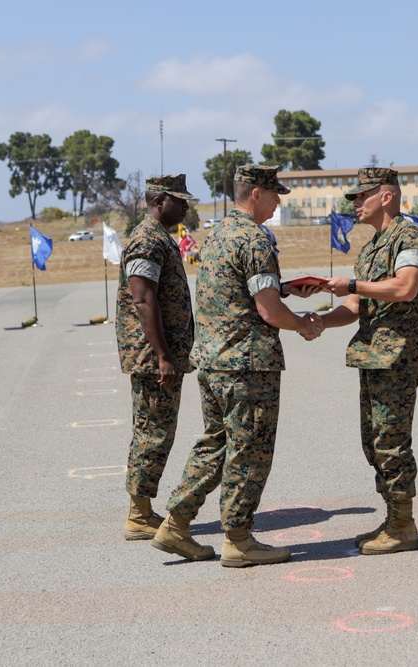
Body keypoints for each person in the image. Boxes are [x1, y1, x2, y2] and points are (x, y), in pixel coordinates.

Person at [151, 164, 324, 567]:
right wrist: (303, 324)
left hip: (213, 361)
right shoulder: (255, 240)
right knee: (250, 450)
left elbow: (239, 290)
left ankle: (175, 525)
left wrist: (284, 288)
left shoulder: (217, 236)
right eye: (275, 193)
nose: (279, 201)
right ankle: (239, 539)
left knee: (215, 444)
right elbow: (268, 311)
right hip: (246, 365)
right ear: (256, 194)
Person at [319, 167, 418, 556]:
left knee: (391, 440)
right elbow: (356, 305)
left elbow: (405, 287)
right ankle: (393, 518)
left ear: (386, 196)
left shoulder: (411, 237)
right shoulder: (372, 246)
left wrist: (351, 284)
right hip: (373, 354)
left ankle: (404, 525)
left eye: (361, 196)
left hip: (398, 354)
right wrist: (318, 320)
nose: (354, 204)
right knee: (374, 441)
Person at [115, 174, 197, 541]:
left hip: (161, 355)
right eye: (180, 201)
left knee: (156, 431)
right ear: (160, 200)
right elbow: (143, 300)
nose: (185, 207)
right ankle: (138, 514)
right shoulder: (147, 240)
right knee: (153, 433)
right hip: (153, 358)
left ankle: (142, 509)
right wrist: (163, 355)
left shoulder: (160, 237)